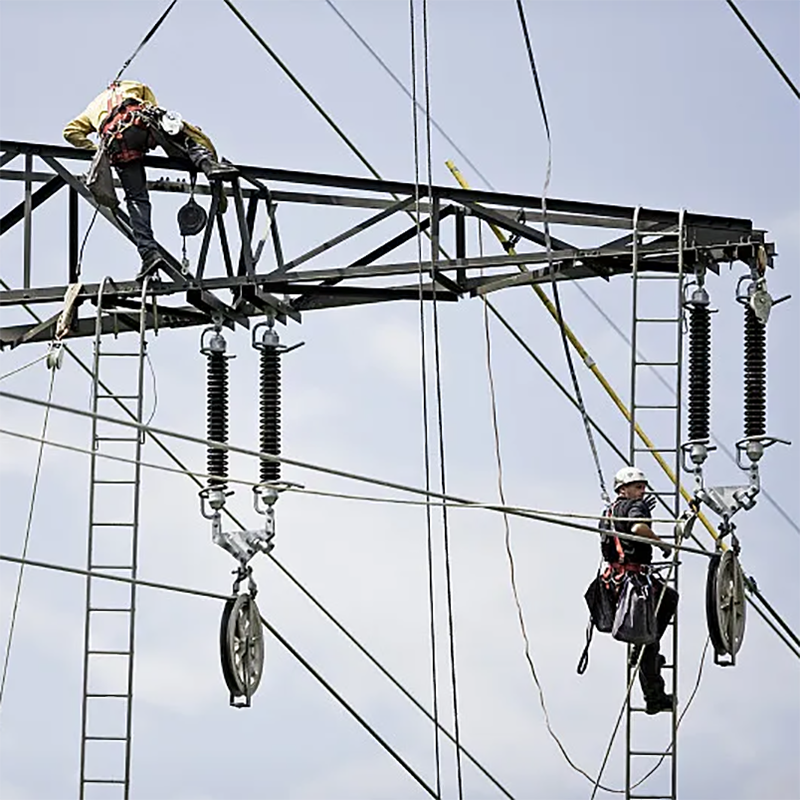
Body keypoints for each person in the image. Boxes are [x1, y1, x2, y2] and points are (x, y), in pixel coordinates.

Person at [63, 80, 236, 280]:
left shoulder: (92, 107)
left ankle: (148, 254)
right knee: (184, 137)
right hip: (139, 120)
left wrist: (97, 151)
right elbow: (153, 107)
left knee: (136, 199)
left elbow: (70, 132)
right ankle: (208, 164)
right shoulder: (134, 85)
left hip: (116, 140)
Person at [602, 466, 678, 715]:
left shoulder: (609, 512)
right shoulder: (637, 506)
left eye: (643, 486)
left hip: (616, 581)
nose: (642, 491)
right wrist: (661, 542)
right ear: (623, 489)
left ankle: (652, 683)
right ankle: (654, 695)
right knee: (654, 627)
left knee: (651, 629)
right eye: (637, 486)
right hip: (635, 581)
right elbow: (636, 529)